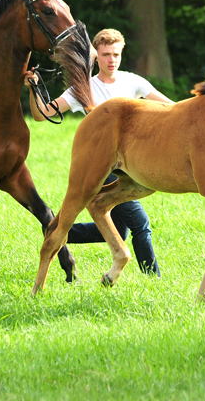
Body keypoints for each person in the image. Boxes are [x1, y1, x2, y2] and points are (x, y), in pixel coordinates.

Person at [25, 28, 175, 277]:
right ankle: (154, 279)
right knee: (141, 224)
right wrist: (33, 88)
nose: (111, 60)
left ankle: (61, 231)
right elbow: (43, 114)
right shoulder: (83, 89)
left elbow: (171, 108)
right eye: (106, 54)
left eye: (116, 54)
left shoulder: (133, 81)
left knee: (120, 229)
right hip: (102, 164)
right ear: (97, 56)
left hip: (131, 162)